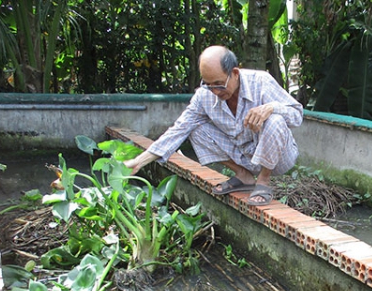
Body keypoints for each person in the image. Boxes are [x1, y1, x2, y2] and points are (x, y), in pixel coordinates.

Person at [124, 45, 304, 205]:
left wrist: (271, 108)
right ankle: (243, 176)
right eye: (208, 85)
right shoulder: (205, 95)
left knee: (275, 119)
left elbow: (297, 115)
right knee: (194, 127)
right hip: (245, 156)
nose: (215, 91)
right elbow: (179, 129)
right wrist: (139, 161)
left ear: (234, 73)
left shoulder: (261, 81)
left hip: (279, 158)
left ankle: (263, 181)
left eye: (219, 84)